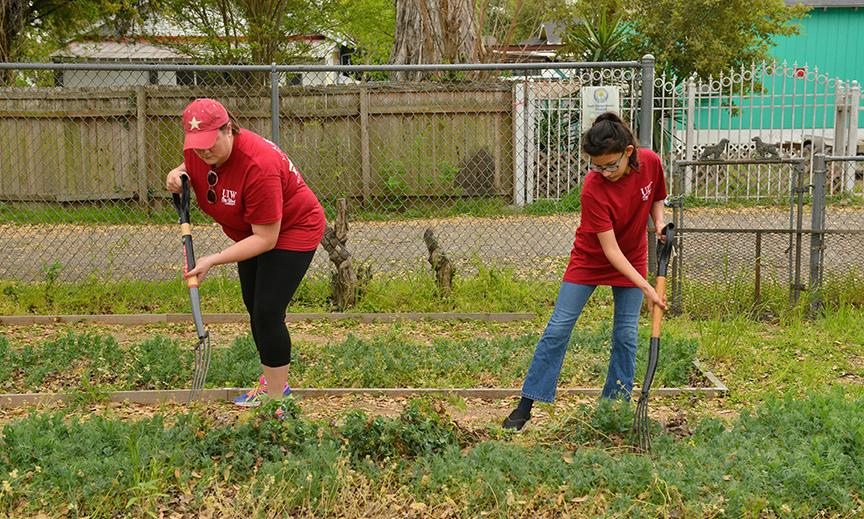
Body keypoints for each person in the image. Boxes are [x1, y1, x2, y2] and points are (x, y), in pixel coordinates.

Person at [502, 112, 667, 432]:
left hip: (633, 256)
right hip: (591, 259)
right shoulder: (593, 188)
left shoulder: (650, 162)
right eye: (596, 166)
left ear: (629, 152)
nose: (603, 172)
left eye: (610, 165)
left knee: (625, 335)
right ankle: (526, 404)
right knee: (558, 328)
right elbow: (610, 251)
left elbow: (656, 196)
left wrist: (658, 223)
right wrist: (647, 288)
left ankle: (614, 408)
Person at [166, 98, 325, 416]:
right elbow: (189, 169)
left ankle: (279, 399)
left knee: (267, 311)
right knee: (253, 303)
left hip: (292, 230)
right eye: (196, 147)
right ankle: (271, 378)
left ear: (229, 129)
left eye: (209, 144)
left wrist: (213, 259)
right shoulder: (198, 151)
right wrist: (176, 174)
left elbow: (267, 238)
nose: (203, 153)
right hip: (249, 233)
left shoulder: (258, 165)